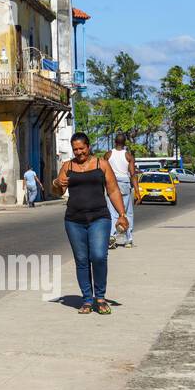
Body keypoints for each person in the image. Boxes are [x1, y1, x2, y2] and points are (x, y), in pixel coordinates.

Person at [51, 133, 130, 315]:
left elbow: (113, 190)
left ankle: (100, 298)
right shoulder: (67, 166)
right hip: (74, 220)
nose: (79, 152)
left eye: (82, 148)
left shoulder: (101, 164)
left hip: (99, 217)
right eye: (75, 149)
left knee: (99, 256)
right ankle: (87, 299)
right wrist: (56, 182)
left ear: (88, 146)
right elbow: (57, 191)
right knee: (81, 260)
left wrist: (122, 214)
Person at [106, 133, 139, 249]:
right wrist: (137, 192)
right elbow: (133, 174)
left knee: (112, 212)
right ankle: (128, 239)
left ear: (115, 142)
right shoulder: (128, 156)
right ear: (125, 143)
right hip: (124, 184)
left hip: (111, 184)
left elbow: (103, 171)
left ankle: (111, 237)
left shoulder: (108, 154)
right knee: (127, 212)